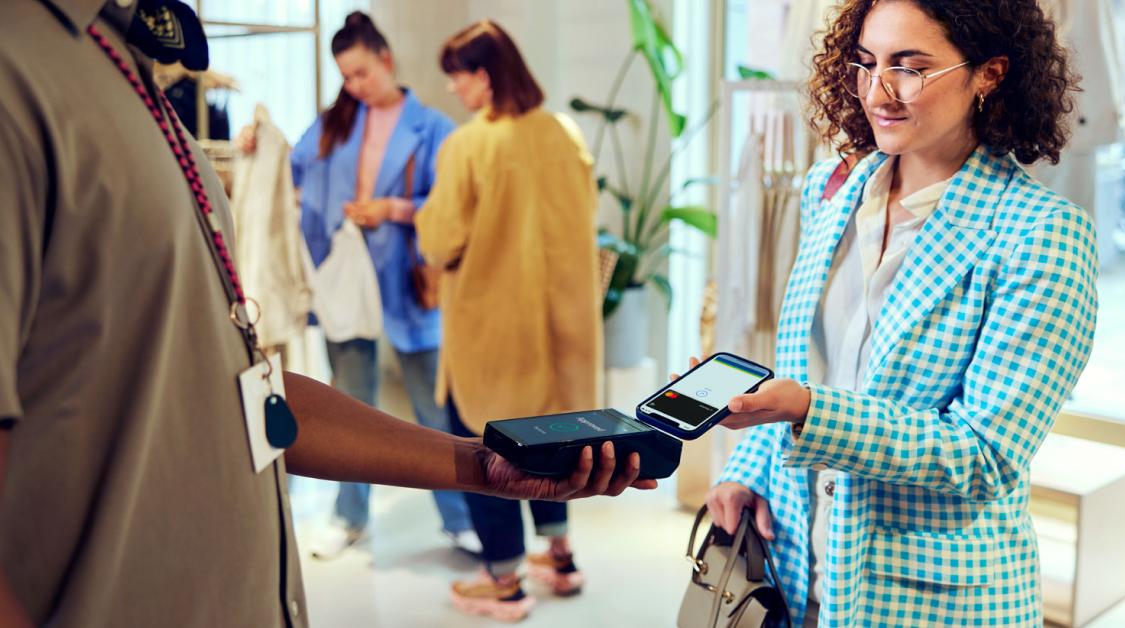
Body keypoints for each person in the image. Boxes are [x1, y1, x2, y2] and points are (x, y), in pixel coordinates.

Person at [0, 2, 654, 627]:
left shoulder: (119, 62)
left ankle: (496, 561)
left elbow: (247, 393)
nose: (356, 84)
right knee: (458, 411)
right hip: (519, 322)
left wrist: (479, 462)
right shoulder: (37, 71)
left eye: (363, 71)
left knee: (448, 410)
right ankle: (474, 543)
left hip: (451, 311)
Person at [701, 1, 1097, 626]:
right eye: (866, 63)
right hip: (794, 566)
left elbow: (983, 453)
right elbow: (808, 362)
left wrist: (809, 410)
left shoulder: (1041, 236)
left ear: (989, 74)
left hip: (926, 594)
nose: (878, 92)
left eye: (910, 67)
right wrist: (748, 468)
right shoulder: (832, 192)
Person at [415, 20, 603, 622]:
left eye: (458, 76)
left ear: (486, 77)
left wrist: (413, 222)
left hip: (492, 329)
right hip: (561, 330)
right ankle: (560, 555)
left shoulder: (470, 145)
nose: (453, 90)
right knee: (554, 441)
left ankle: (503, 581)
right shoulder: (563, 134)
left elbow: (440, 239)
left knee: (483, 448)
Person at [287, 12, 479, 558]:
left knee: (431, 408)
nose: (355, 86)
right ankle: (350, 516)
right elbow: (293, 168)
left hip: (406, 282)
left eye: (362, 73)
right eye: (346, 77)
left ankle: (459, 516)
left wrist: (393, 208)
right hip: (346, 284)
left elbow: (454, 208)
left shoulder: (434, 128)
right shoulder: (335, 122)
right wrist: (258, 141)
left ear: (386, 59)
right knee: (348, 407)